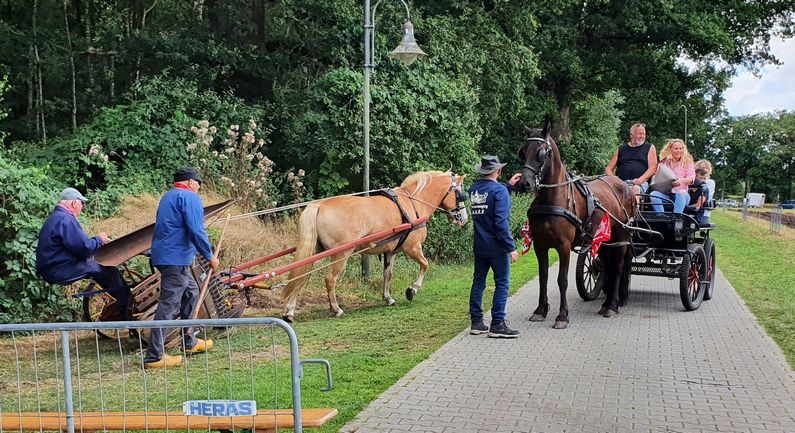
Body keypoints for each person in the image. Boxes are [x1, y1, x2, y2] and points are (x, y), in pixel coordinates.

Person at [144, 168, 219, 369]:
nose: (199, 187)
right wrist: (210, 255)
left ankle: (190, 341)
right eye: (198, 183)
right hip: (175, 258)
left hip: (167, 256)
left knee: (191, 294)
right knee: (168, 304)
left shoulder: (167, 197)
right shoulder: (189, 197)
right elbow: (196, 229)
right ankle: (154, 356)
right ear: (190, 182)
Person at [36, 188, 130, 319]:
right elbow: (85, 248)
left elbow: (77, 245)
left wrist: (95, 243)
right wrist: (99, 239)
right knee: (108, 270)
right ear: (74, 203)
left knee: (98, 269)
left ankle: (122, 302)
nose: (82, 207)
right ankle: (127, 304)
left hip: (51, 268)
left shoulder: (55, 218)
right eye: (81, 204)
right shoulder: (66, 220)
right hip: (59, 269)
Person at [468, 155, 522, 339]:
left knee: (478, 282)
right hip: (497, 247)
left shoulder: (474, 189)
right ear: (498, 171)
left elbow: (488, 196)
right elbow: (501, 222)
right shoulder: (499, 191)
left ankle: (476, 322)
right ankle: (497, 324)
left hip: (479, 245)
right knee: (502, 283)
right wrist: (511, 247)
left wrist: (508, 185)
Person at [605, 123, 658, 199]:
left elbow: (653, 168)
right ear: (631, 135)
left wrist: (640, 180)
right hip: (621, 182)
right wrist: (612, 178)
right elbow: (608, 168)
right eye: (639, 134)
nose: (642, 136)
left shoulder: (649, 147)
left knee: (635, 189)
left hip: (639, 184)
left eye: (644, 134)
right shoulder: (621, 148)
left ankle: (634, 211)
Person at [650, 139, 695, 213]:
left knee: (681, 192)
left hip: (682, 196)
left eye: (681, 148)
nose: (678, 151)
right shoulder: (663, 163)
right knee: (653, 195)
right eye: (676, 148)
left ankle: (677, 218)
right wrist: (667, 164)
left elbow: (691, 178)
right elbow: (659, 178)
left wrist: (682, 181)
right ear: (670, 150)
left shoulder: (687, 163)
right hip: (666, 194)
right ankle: (661, 219)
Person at [695, 159, 716, 224]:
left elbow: (707, 198)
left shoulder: (710, 182)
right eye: (703, 167)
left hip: (703, 212)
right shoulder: (692, 181)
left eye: (707, 168)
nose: (705, 169)